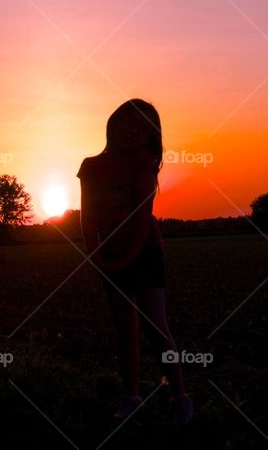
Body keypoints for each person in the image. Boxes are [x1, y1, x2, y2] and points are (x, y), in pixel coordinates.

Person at [77, 98, 193, 424]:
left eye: (142, 128)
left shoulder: (143, 161)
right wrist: (96, 254)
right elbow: (88, 216)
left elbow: (143, 215)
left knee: (157, 327)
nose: (132, 131)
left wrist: (129, 256)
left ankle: (180, 396)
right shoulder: (91, 166)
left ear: (150, 136)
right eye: (128, 122)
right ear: (113, 123)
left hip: (144, 253)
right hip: (110, 255)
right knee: (124, 331)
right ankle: (131, 397)